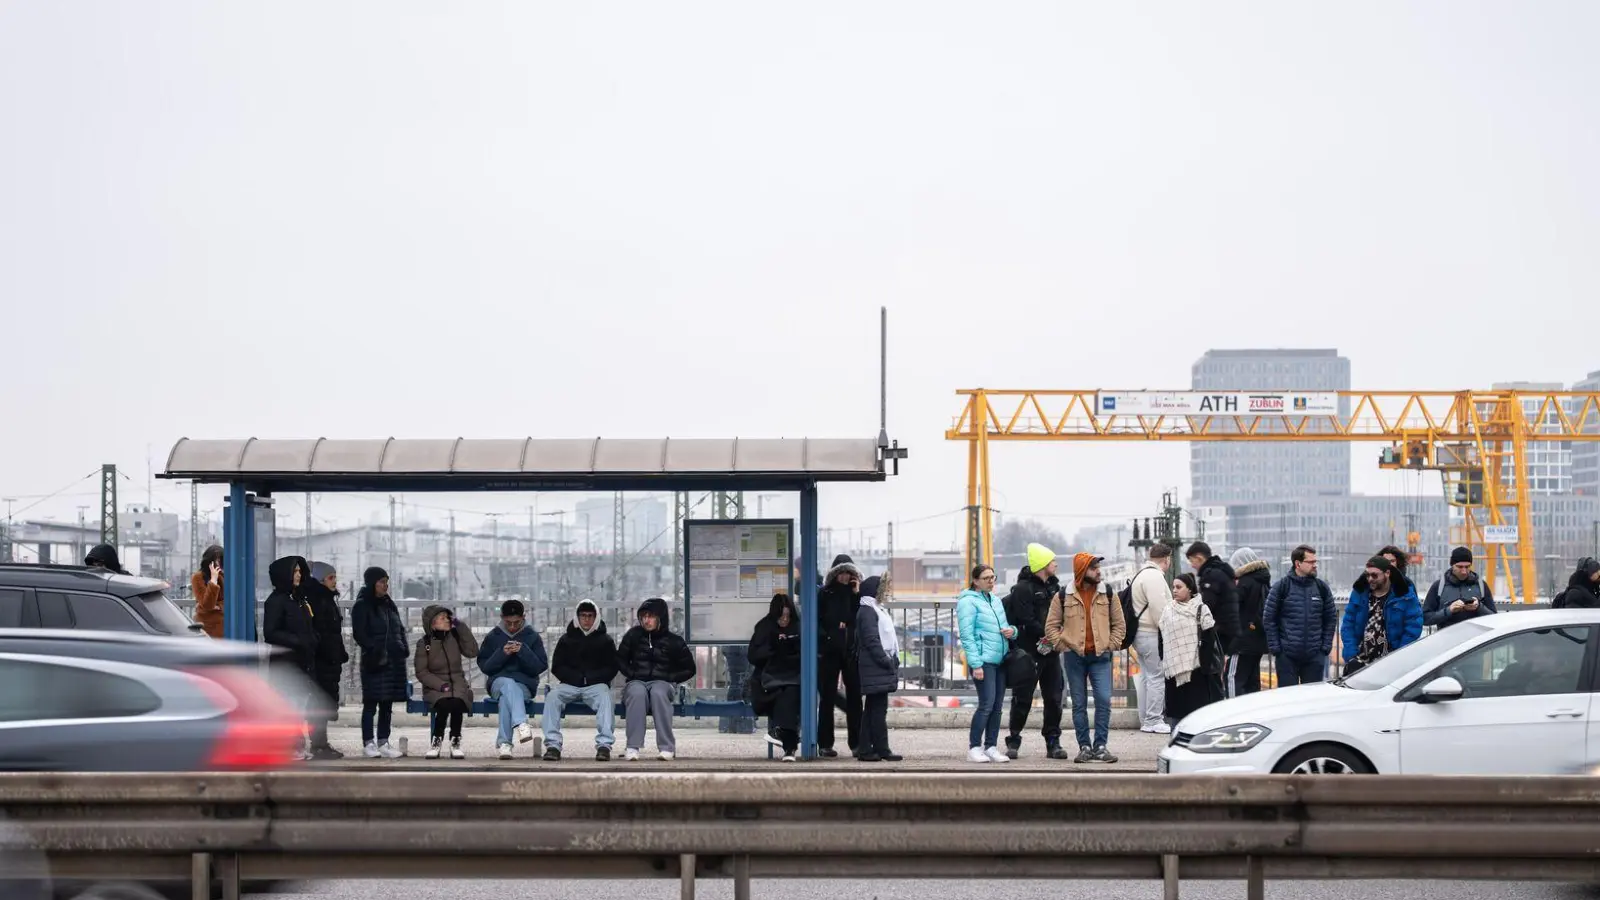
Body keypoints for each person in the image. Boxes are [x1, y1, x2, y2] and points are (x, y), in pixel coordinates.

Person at [1045, 553, 1125, 764]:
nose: (1098, 571)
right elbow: (1051, 626)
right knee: (1078, 703)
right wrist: (1063, 645)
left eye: (1098, 567)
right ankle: (1085, 747)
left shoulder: (1108, 594)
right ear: (1082, 571)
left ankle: (1101, 746)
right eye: (1093, 568)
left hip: (1101, 656)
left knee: (1104, 700)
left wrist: (1111, 644)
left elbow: (1119, 624)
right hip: (1074, 657)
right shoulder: (1063, 596)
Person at [1002, 544, 1067, 760]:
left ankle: (1053, 741)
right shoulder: (1023, 589)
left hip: (1052, 653)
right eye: (1052, 561)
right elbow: (1027, 619)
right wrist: (1050, 634)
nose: (1056, 564)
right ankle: (1014, 739)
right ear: (1042, 564)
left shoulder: (1056, 588)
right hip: (1029, 652)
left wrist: (1056, 636)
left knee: (1055, 698)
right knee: (1023, 698)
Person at [617, 597, 696, 761]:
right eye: (644, 616)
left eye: (651, 616)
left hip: (662, 682)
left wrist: (669, 678)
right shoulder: (633, 636)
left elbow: (689, 669)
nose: (646, 620)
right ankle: (633, 746)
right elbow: (620, 659)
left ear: (660, 618)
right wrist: (632, 674)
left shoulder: (674, 641)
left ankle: (667, 747)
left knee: (659, 693)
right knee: (637, 693)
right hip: (636, 681)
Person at [543, 598, 618, 762]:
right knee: (552, 697)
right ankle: (553, 745)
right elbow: (557, 666)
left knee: (605, 697)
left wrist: (591, 678)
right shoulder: (566, 639)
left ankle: (604, 745)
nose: (586, 619)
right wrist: (575, 678)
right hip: (569, 684)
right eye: (583, 615)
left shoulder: (605, 640)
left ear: (596, 617)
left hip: (596, 685)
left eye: (590, 616)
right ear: (577, 617)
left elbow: (612, 667)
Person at [477, 598, 549, 761]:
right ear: (502, 618)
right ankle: (521, 723)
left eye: (516, 623)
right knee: (507, 684)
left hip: (524, 685)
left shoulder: (532, 636)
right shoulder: (493, 636)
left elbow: (540, 666)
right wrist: (502, 653)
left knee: (506, 699)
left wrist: (523, 651)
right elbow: (486, 667)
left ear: (523, 617)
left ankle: (505, 744)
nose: (512, 626)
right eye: (508, 622)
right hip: (498, 683)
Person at [262, 556, 317, 760]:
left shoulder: (299, 600)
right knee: (289, 707)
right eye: (295, 572)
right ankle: (288, 747)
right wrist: (298, 641)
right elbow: (271, 633)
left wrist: (312, 639)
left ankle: (298, 746)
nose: (299, 575)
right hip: (285, 664)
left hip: (302, 662)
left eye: (300, 571)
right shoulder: (275, 601)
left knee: (299, 707)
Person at [957, 564, 1014, 763]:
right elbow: (967, 635)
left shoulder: (995, 601)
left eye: (993, 577)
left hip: (1000, 660)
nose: (991, 581)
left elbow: (1004, 626)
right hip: (983, 661)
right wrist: (976, 664)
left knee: (997, 706)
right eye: (986, 578)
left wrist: (1012, 631)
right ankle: (974, 747)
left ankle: (990, 746)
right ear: (975, 581)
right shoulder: (968, 602)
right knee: (986, 704)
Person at [350, 567, 406, 758]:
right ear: (372, 583)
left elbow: (400, 628)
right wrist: (374, 648)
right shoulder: (362, 605)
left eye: (386, 581)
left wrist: (402, 647)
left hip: (392, 661)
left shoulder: (389, 604)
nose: (385, 585)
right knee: (371, 704)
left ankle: (384, 741)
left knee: (387, 705)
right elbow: (359, 633)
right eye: (381, 582)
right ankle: (368, 742)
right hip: (374, 661)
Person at [1263, 545, 1337, 687]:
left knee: (1310, 702)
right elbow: (1269, 618)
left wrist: (1325, 648)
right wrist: (1277, 649)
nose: (1315, 565)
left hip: (1315, 656)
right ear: (1298, 564)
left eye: (1316, 562)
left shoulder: (1321, 588)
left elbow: (1331, 618)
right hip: (1287, 656)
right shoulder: (1281, 587)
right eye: (1310, 562)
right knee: (1288, 701)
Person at [1340, 556, 1423, 676]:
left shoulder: (1404, 595)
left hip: (1391, 664)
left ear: (1387, 573)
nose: (1370, 579)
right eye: (1367, 575)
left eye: (1374, 575)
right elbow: (1348, 625)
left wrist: (1398, 657)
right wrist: (1352, 656)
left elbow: (1413, 628)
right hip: (1359, 663)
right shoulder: (1359, 592)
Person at [414, 604, 479, 760]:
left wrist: (460, 625)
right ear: (432, 624)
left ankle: (455, 741)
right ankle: (436, 741)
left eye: (447, 617)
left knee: (457, 701)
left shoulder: (455, 637)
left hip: (457, 683)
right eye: (442, 618)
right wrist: (440, 685)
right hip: (435, 686)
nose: (447, 620)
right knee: (444, 703)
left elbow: (473, 651)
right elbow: (422, 672)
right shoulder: (425, 643)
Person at [815, 555, 864, 758]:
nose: (844, 576)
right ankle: (825, 743)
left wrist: (856, 594)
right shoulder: (825, 594)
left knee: (855, 699)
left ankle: (858, 743)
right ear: (835, 574)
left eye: (848, 573)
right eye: (841, 572)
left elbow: (860, 619)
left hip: (851, 652)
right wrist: (827, 638)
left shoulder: (857, 596)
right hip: (829, 652)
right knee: (826, 698)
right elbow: (818, 619)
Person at [1160, 573, 1224, 724]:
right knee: (1176, 715)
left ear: (1189, 589)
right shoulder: (1168, 610)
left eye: (1179, 587)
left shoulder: (1201, 609)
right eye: (1173, 587)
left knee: (1197, 714)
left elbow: (1209, 638)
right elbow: (1161, 635)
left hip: (1197, 670)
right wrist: (1166, 658)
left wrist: (1204, 666)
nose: (1174, 590)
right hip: (1174, 670)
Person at [747, 593, 803, 761]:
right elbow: (753, 655)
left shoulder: (799, 627)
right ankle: (790, 747)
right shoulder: (764, 627)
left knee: (791, 694)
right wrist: (774, 647)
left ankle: (783, 738)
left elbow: (805, 654)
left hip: (793, 676)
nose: (784, 620)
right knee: (784, 696)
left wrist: (789, 645)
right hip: (768, 678)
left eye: (787, 616)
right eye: (781, 616)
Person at [304, 561, 350, 760]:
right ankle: (318, 744)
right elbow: (319, 631)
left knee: (323, 703)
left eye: (335, 577)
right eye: (331, 577)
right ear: (320, 580)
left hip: (329, 658)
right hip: (322, 659)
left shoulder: (327, 599)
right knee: (318, 704)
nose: (335, 581)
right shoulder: (317, 600)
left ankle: (320, 743)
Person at [855, 574, 902, 762]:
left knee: (873, 710)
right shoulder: (868, 611)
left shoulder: (871, 609)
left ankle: (871, 749)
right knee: (877, 710)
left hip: (876, 666)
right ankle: (876, 749)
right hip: (876, 665)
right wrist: (886, 660)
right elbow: (871, 640)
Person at [1129, 546, 1174, 733]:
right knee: (1156, 676)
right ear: (1167, 559)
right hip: (1151, 633)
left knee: (1147, 677)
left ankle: (1146, 718)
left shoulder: (1141, 574)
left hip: (1139, 634)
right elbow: (1159, 608)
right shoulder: (1155, 577)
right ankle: (1154, 719)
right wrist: (1168, 630)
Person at [1185, 542, 1242, 662]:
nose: (1192, 565)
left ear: (1199, 558)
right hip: (1228, 631)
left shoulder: (1211, 576)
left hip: (1219, 632)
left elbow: (1206, 605)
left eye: (1192, 561)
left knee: (1213, 670)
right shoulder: (1221, 572)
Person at [1228, 547, 1271, 697]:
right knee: (1253, 682)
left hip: (1242, 641)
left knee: (1233, 678)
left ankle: (1232, 714)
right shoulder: (1263, 580)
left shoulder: (1244, 583)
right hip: (1258, 640)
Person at [1423, 547, 1498, 629]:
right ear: (1452, 565)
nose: (1464, 571)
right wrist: (1449, 610)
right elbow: (1425, 618)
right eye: (1460, 567)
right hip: (1447, 640)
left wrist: (1479, 607)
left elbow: (1494, 618)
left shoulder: (1481, 585)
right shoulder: (1438, 586)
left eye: (1467, 567)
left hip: (1476, 640)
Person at [190, 545, 224, 639]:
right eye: (216, 561)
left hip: (224, 628)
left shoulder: (222, 576)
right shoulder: (198, 577)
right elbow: (207, 604)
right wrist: (213, 580)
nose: (218, 564)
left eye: (220, 561)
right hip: (208, 629)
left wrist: (219, 606)